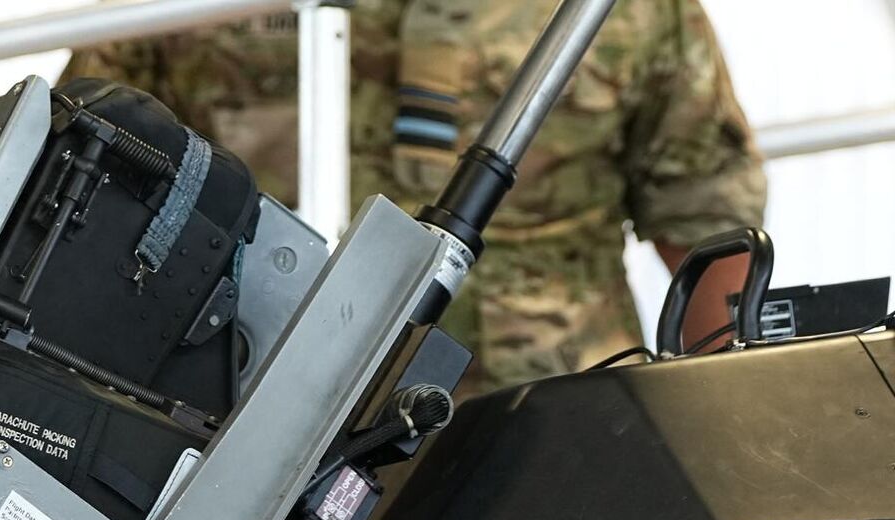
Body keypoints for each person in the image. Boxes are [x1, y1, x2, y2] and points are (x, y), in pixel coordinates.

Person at [64, 0, 768, 393]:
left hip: (556, 414)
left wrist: (715, 417)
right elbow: (92, 157)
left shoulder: (631, 12)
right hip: (262, 398)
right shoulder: (193, 13)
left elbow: (705, 223)